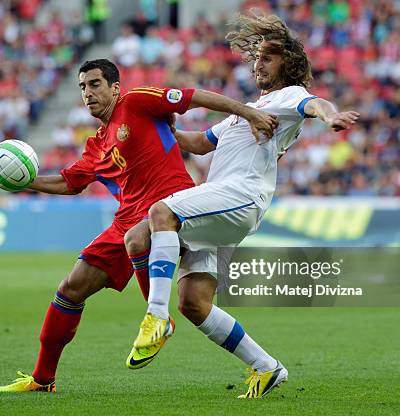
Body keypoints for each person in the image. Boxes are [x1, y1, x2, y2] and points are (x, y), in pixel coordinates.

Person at [0, 58, 278, 392]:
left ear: (115, 87)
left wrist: (249, 112)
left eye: (95, 84)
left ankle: (156, 318)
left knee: (139, 240)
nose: (88, 93)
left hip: (173, 207)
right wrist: (23, 182)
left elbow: (194, 96)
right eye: (83, 87)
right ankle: (42, 380)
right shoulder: (96, 145)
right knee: (71, 289)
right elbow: (69, 183)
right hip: (126, 219)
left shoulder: (137, 101)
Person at [125, 14, 360, 399]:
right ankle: (267, 367)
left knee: (160, 214)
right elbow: (200, 142)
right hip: (225, 204)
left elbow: (315, 103)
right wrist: (159, 126)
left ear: (288, 63)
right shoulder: (250, 110)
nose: (258, 65)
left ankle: (156, 317)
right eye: (256, 59)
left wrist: (331, 116)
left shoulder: (288, 97)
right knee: (195, 304)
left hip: (240, 195)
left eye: (267, 58)